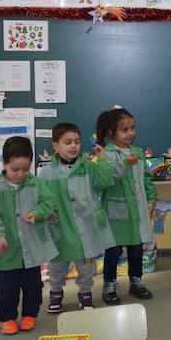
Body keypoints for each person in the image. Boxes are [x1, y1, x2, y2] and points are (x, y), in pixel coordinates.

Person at [0, 136, 58, 335]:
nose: (21, 174)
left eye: (25, 169)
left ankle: (30, 314)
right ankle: (7, 317)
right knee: (7, 288)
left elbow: (49, 203)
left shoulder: (36, 184)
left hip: (30, 248)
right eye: (15, 169)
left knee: (33, 286)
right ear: (4, 164)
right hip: (5, 249)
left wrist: (37, 213)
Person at [38, 123, 115, 312]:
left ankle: (85, 293)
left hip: (86, 224)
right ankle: (56, 292)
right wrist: (47, 210)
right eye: (68, 142)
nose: (74, 146)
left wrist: (102, 160)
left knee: (86, 265)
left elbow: (105, 182)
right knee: (58, 264)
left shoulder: (88, 166)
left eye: (77, 142)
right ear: (56, 146)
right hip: (61, 224)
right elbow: (41, 197)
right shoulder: (47, 172)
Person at [96, 108, 156, 305]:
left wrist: (151, 200)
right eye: (124, 129)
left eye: (132, 128)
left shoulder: (137, 152)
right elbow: (107, 179)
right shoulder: (106, 154)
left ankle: (136, 280)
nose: (130, 133)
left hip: (136, 211)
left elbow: (146, 179)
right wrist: (124, 163)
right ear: (111, 132)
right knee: (113, 250)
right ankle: (109, 283)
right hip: (116, 212)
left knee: (136, 248)